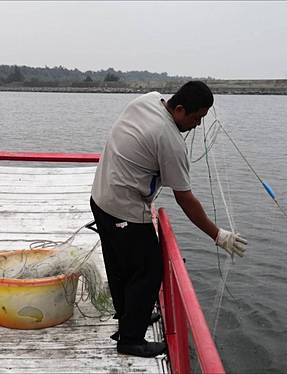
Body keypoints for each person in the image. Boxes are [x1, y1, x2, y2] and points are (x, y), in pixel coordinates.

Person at [90, 81, 247, 357]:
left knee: (119, 265)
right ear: (180, 109)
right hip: (123, 207)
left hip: (100, 197)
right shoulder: (170, 140)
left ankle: (128, 316)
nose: (198, 125)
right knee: (149, 270)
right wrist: (218, 235)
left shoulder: (149, 100)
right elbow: (185, 199)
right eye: (196, 118)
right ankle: (130, 340)